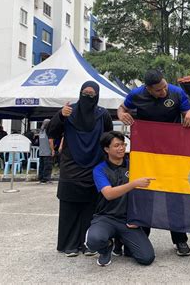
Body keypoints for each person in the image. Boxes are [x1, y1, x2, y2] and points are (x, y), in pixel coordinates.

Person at [117, 69, 190, 256]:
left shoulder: (176, 92)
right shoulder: (136, 94)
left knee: (174, 195)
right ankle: (142, 238)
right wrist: (121, 114)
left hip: (172, 152)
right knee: (144, 194)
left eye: (164, 86)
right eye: (159, 90)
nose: (163, 92)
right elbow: (122, 107)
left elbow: (188, 109)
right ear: (148, 89)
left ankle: (180, 240)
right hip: (146, 152)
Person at [48, 81, 113, 257]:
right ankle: (69, 244)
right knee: (69, 206)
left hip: (94, 166)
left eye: (92, 94)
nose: (88, 97)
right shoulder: (69, 111)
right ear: (79, 92)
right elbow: (51, 131)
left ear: (97, 96)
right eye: (85, 93)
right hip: (71, 166)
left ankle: (88, 243)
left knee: (90, 208)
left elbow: (108, 137)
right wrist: (60, 116)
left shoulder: (103, 114)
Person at [85, 131, 155, 267]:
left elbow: (147, 195)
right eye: (117, 145)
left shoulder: (134, 164)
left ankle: (121, 241)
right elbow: (109, 194)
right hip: (106, 217)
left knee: (147, 258)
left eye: (123, 144)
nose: (121, 148)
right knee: (93, 241)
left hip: (128, 219)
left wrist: (139, 218)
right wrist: (133, 183)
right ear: (106, 149)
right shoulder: (99, 170)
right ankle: (106, 248)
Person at [38, 119, 54, 184]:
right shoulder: (49, 131)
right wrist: (52, 150)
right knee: (48, 166)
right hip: (47, 151)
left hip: (41, 151)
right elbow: (50, 141)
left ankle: (41, 178)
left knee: (41, 166)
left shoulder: (41, 132)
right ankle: (46, 179)